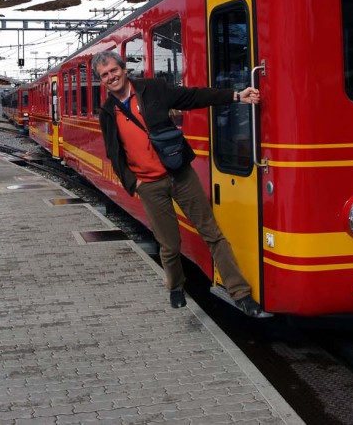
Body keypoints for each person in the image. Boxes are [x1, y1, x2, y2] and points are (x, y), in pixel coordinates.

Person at [92, 50, 261, 315]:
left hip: (180, 174)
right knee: (169, 245)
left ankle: (240, 293)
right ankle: (176, 288)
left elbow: (192, 97)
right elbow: (114, 152)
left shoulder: (153, 89)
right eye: (104, 75)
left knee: (212, 234)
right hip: (149, 185)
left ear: (124, 70)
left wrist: (235, 95)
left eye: (114, 70)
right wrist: (134, 184)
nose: (111, 77)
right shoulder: (107, 113)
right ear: (101, 81)